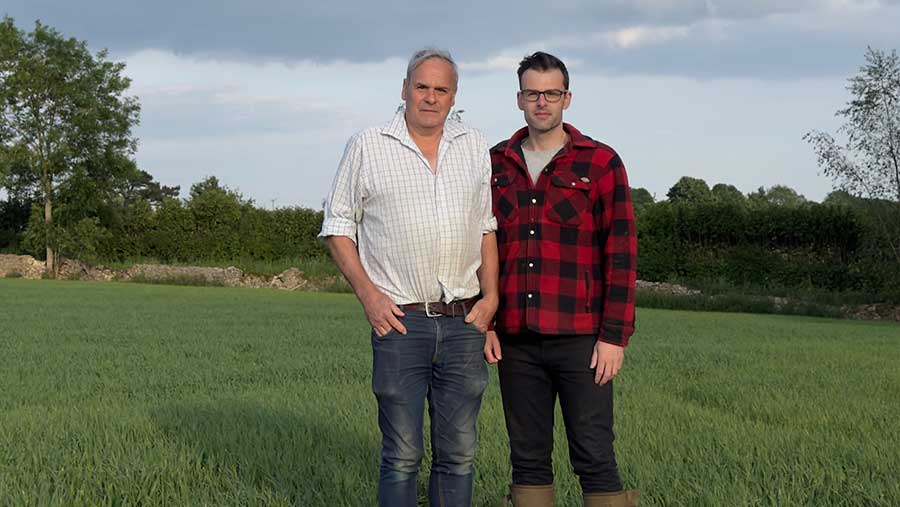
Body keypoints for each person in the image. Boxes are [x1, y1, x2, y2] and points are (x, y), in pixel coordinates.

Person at [318, 47, 499, 507]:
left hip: (464, 324)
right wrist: (370, 298)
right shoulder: (368, 144)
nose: (431, 98)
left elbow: (486, 226)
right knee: (401, 455)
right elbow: (338, 227)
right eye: (422, 86)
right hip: (400, 323)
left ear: (454, 96)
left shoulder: (473, 145)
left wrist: (492, 297)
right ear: (404, 89)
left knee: (458, 454)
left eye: (442, 89)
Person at [484, 51, 640, 507]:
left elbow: (622, 253)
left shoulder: (600, 162)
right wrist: (487, 323)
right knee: (527, 458)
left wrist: (614, 337)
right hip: (515, 338)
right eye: (533, 93)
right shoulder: (495, 164)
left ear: (567, 99)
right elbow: (481, 246)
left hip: (581, 339)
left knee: (594, 454)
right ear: (519, 99)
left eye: (552, 93)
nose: (542, 102)